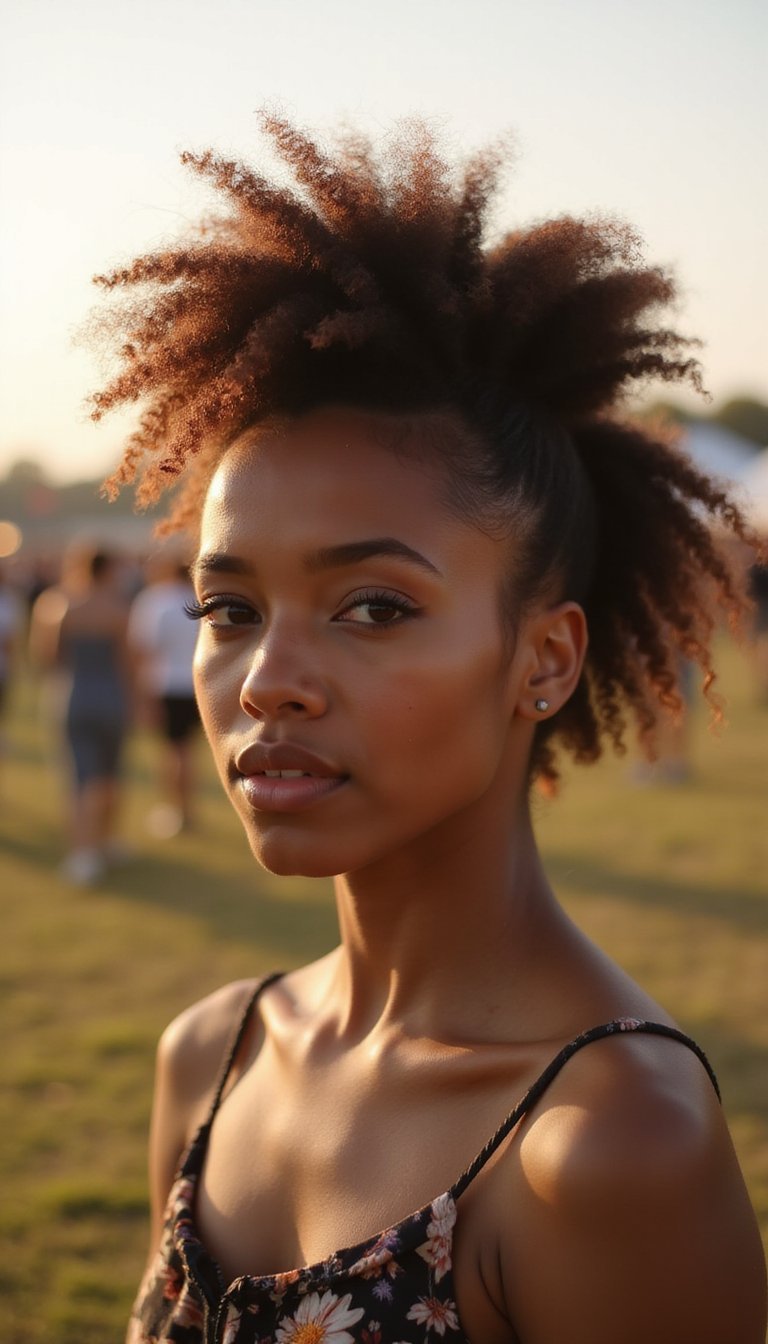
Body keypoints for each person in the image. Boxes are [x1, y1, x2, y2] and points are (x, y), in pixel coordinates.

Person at [91, 116, 767, 1343]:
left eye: (374, 606)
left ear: (544, 658)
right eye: (229, 606)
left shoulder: (609, 1148)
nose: (266, 681)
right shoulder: (209, 1058)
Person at [31, 543, 132, 884]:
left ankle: (83, 851)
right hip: (112, 696)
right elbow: (127, 662)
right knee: (109, 773)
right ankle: (104, 843)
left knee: (80, 777)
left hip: (73, 694)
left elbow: (46, 656)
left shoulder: (57, 604)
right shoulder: (118, 608)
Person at [129, 550, 201, 836]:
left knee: (174, 752)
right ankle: (185, 809)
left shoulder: (156, 601)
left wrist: (142, 696)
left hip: (167, 685)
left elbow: (143, 650)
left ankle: (178, 810)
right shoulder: (201, 599)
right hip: (197, 684)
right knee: (187, 753)